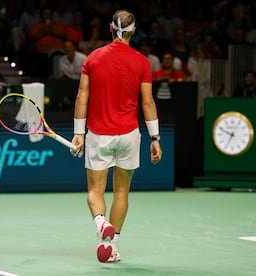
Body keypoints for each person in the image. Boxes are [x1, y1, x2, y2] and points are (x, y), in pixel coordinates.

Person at [71, 10, 162, 263]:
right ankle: (111, 246)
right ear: (133, 31)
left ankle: (101, 222)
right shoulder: (143, 62)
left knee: (94, 190)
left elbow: (82, 96)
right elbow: (147, 102)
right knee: (121, 192)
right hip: (129, 136)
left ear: (110, 29)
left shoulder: (93, 58)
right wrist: (155, 138)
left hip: (99, 136)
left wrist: (79, 132)